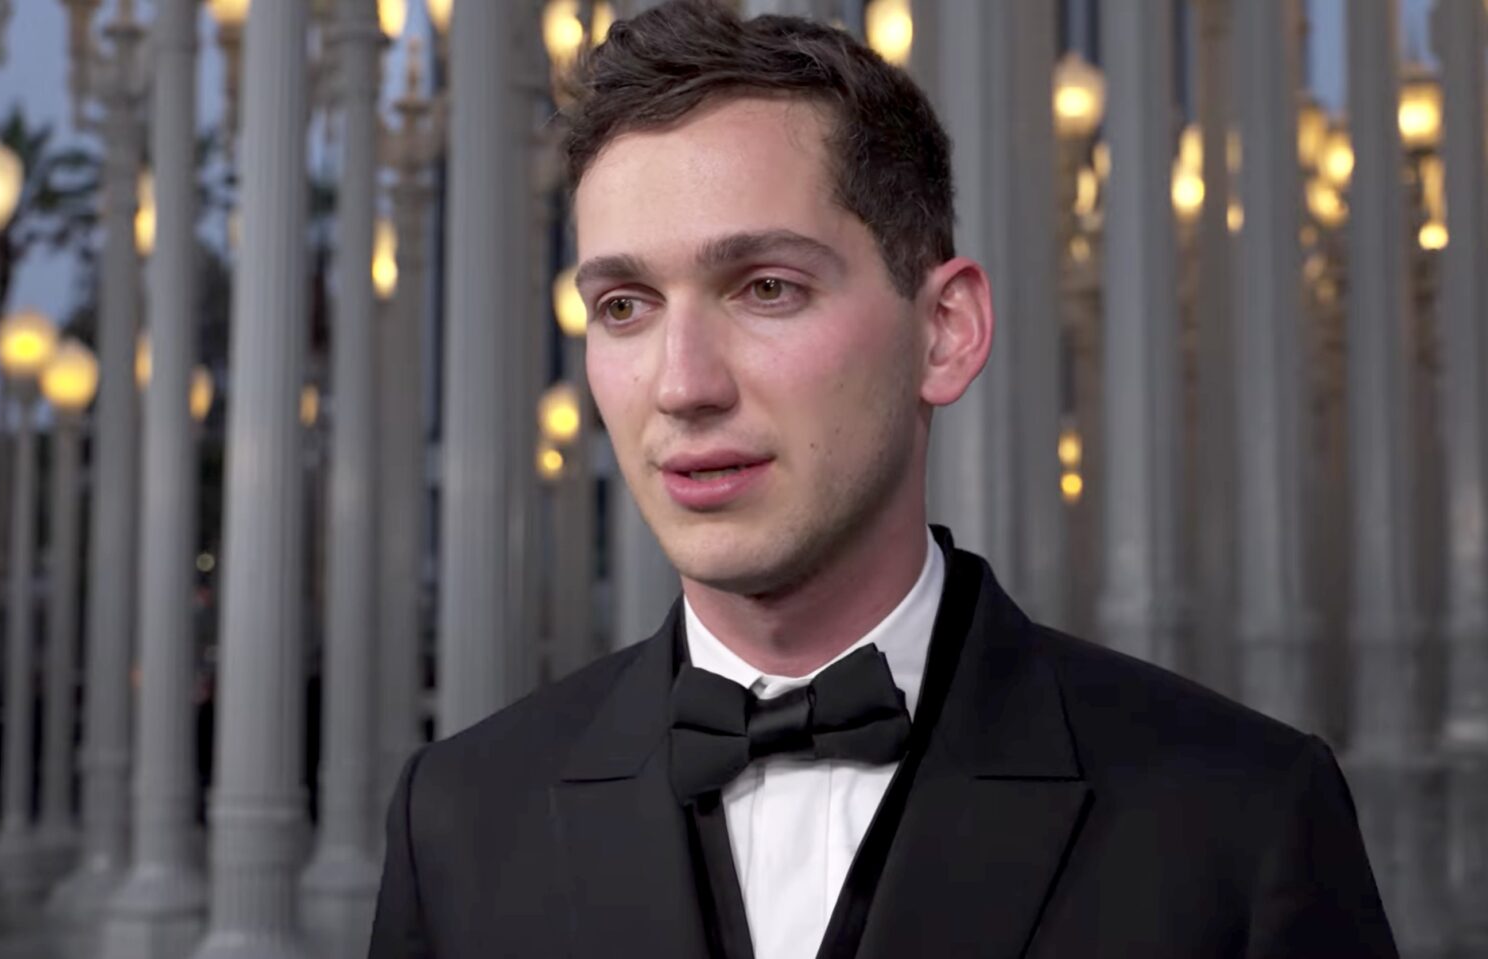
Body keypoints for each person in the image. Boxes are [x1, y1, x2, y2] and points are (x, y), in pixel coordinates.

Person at [368, 3, 1397, 957]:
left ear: (945, 332)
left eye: (766, 288)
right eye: (625, 306)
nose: (682, 385)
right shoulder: (456, 822)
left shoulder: (1241, 819)